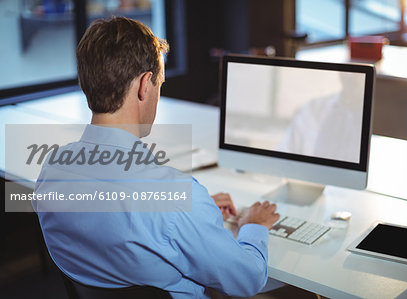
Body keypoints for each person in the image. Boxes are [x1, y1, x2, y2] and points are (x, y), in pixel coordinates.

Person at [33, 17, 279, 298]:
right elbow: (247, 280)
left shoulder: (51, 170)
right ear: (144, 85)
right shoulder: (176, 199)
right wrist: (253, 226)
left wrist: (197, 213)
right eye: (160, 84)